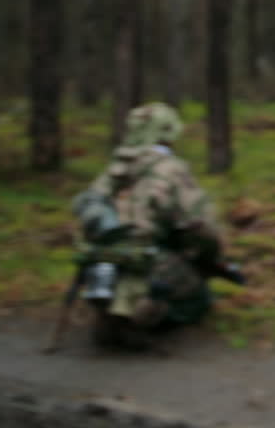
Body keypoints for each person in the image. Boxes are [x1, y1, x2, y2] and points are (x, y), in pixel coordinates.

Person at [71, 102, 227, 349]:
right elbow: (199, 225)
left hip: (103, 256)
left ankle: (114, 309)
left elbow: (87, 205)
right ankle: (147, 316)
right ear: (168, 132)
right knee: (199, 298)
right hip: (149, 256)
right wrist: (209, 256)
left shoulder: (114, 168)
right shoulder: (172, 169)